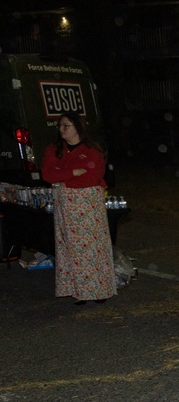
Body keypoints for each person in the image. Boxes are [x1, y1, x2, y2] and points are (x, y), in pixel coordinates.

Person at [41, 111, 116, 305]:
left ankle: (99, 289)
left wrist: (64, 178)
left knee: (94, 247)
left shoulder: (91, 150)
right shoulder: (54, 149)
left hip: (88, 206)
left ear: (78, 127)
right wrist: (73, 172)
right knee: (72, 249)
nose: (61, 130)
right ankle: (78, 290)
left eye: (66, 126)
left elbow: (93, 176)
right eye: (60, 126)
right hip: (67, 208)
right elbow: (48, 174)